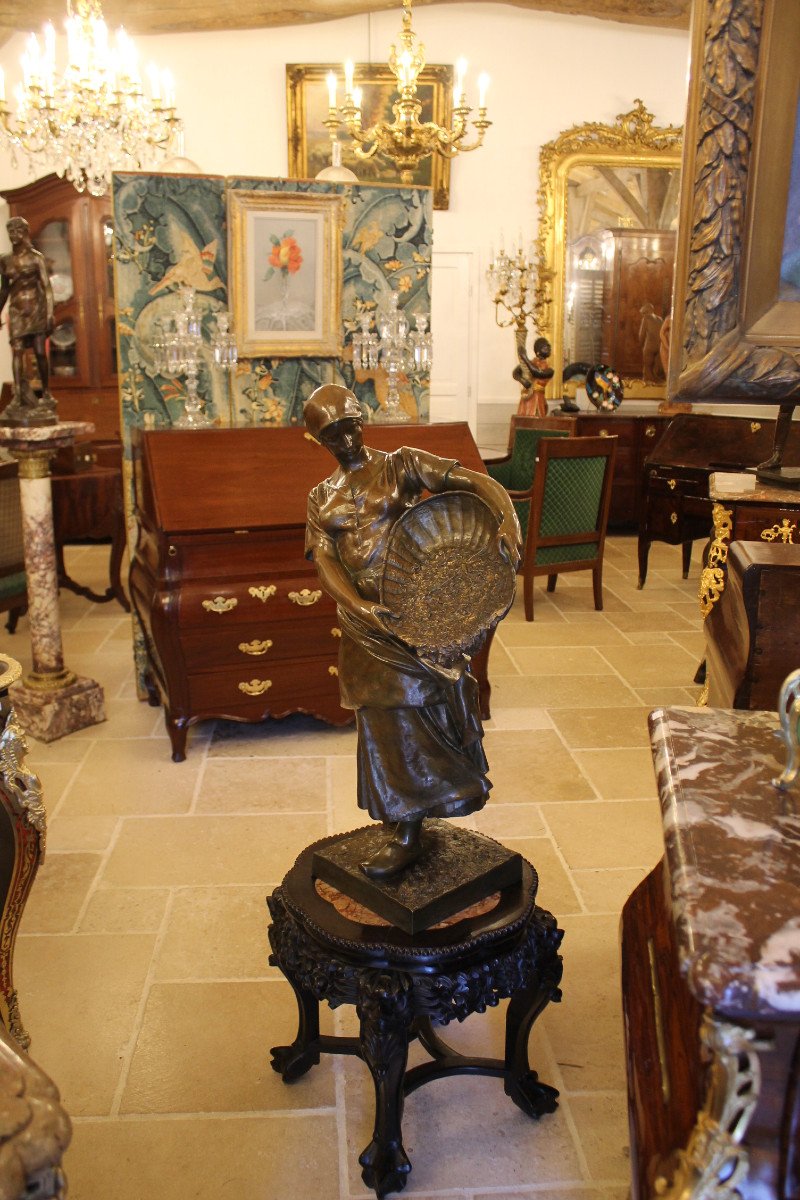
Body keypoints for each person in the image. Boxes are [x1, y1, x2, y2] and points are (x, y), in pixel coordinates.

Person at [304, 384, 521, 880]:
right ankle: (402, 818)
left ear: (362, 420)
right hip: (364, 624)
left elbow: (471, 482)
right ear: (318, 440)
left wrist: (507, 519)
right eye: (333, 435)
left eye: (351, 427)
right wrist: (359, 606)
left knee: (418, 714)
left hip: (415, 614)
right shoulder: (320, 497)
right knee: (380, 721)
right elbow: (325, 561)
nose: (347, 440)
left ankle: (413, 827)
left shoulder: (400, 464)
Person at [0, 217, 55, 419]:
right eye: (10, 232)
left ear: (25, 233)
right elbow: (4, 289)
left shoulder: (36, 258)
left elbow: (47, 288)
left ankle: (46, 393)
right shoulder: (5, 260)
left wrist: (50, 313)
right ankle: (18, 396)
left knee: (40, 352)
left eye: (17, 231)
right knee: (17, 351)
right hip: (17, 311)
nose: (14, 236)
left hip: (36, 309)